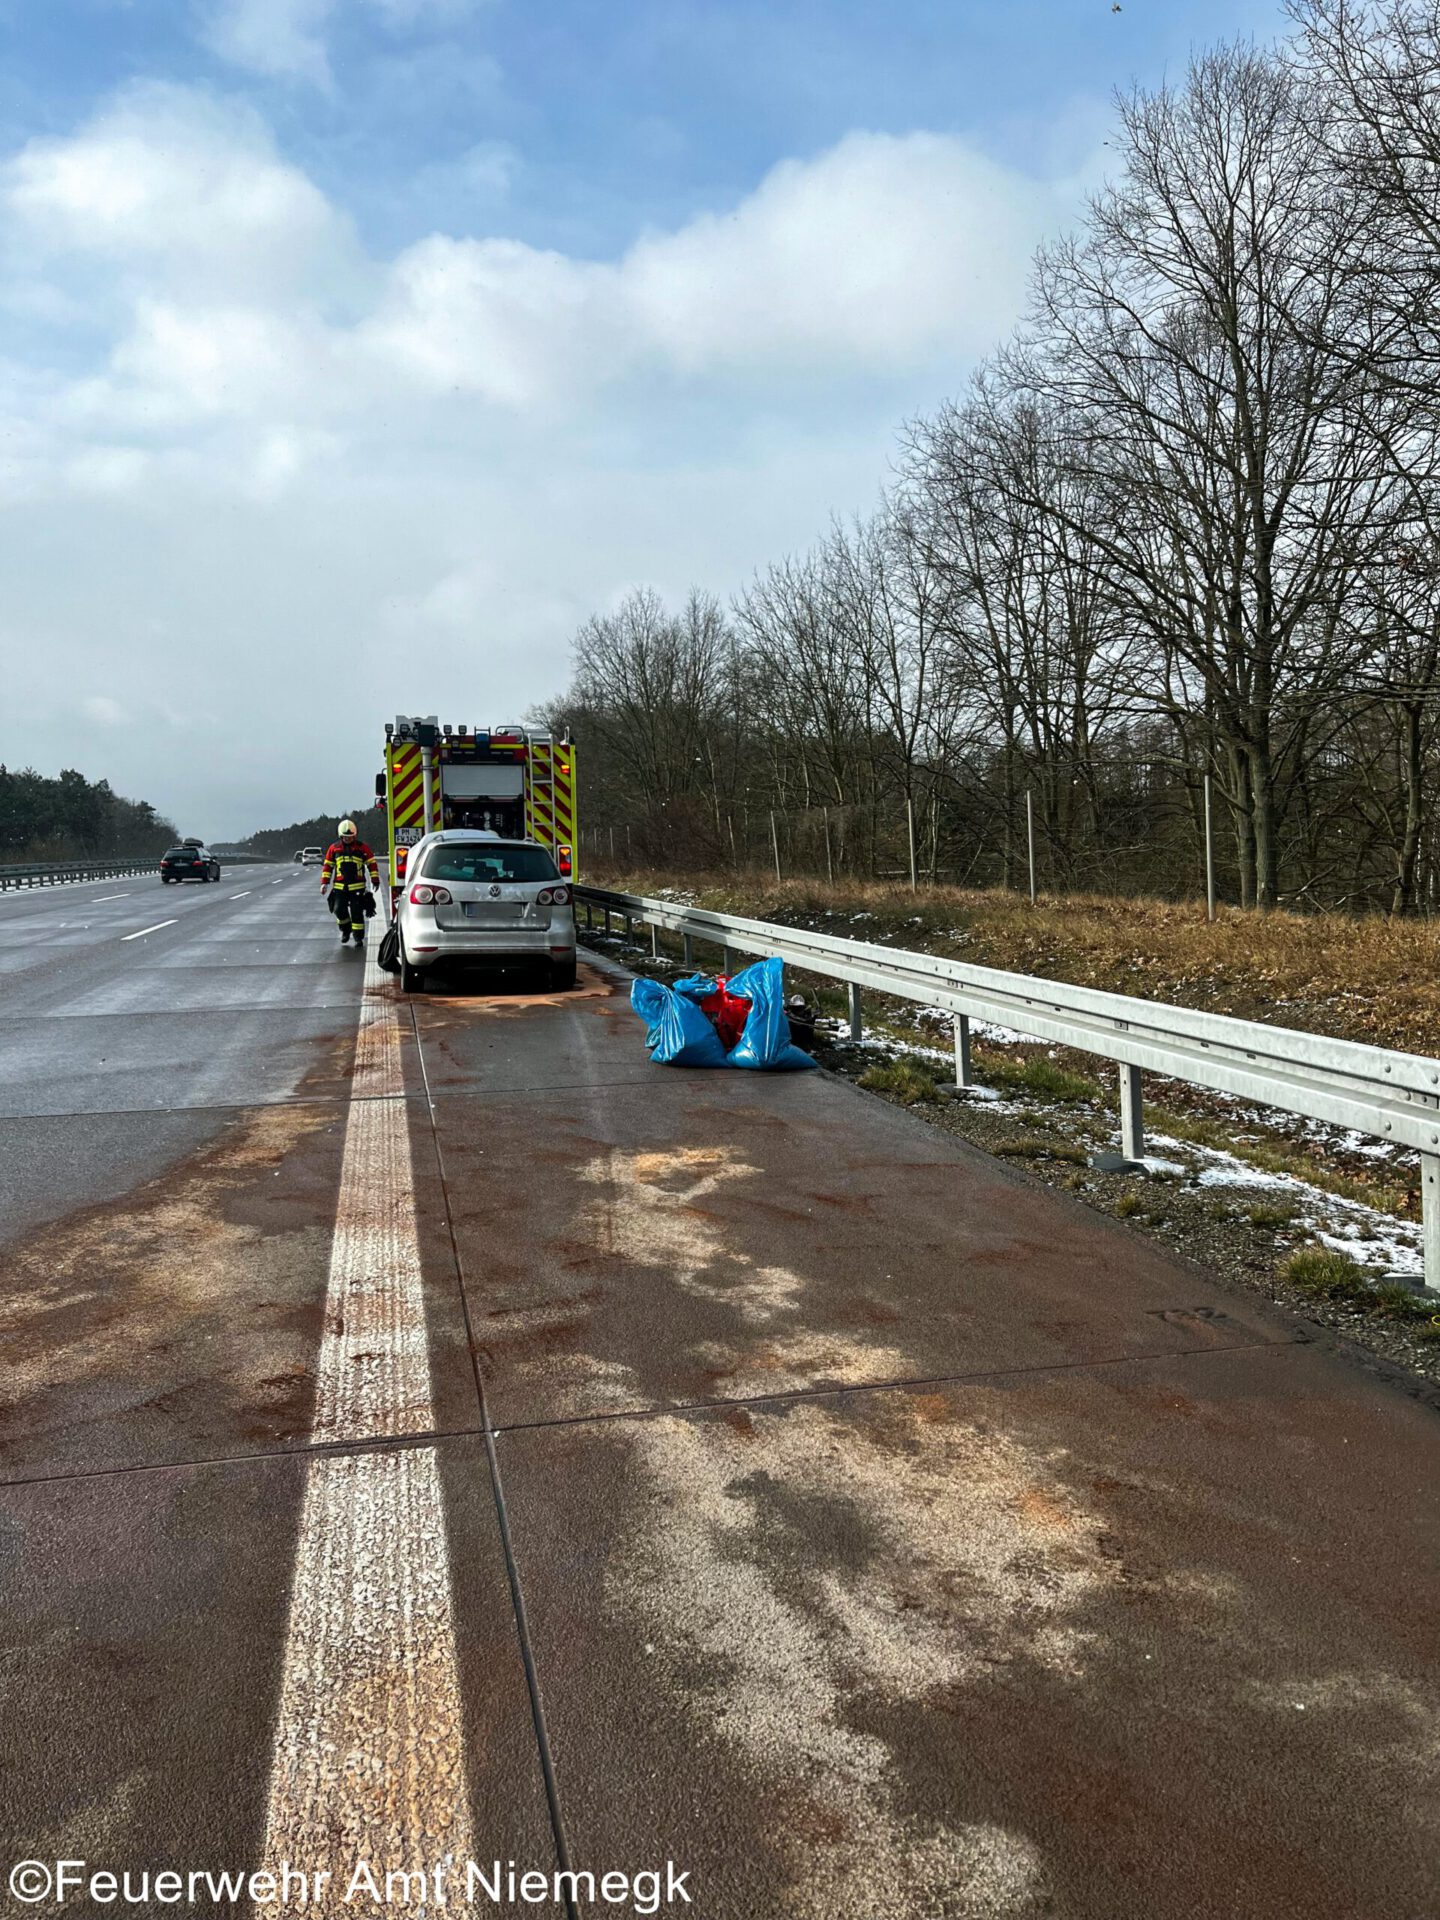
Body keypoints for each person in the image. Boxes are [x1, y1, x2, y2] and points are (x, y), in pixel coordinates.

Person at [320, 819, 380, 947]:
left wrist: (375, 879)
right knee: (338, 910)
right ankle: (346, 930)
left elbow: (371, 863)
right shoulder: (334, 848)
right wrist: (324, 883)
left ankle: (358, 938)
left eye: (351, 837)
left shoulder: (362, 848)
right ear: (340, 836)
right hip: (339, 887)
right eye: (345, 837)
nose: (348, 839)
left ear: (355, 835)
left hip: (357, 887)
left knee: (357, 913)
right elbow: (328, 866)